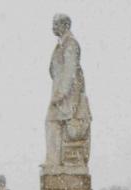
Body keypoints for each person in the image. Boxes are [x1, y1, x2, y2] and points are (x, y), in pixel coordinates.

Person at [46, 13, 91, 167]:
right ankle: (54, 162)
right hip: (61, 94)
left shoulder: (70, 44)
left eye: (56, 24)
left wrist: (61, 94)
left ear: (66, 25)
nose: (53, 27)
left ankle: (55, 162)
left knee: (55, 123)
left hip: (68, 97)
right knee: (53, 123)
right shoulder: (60, 45)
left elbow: (70, 72)